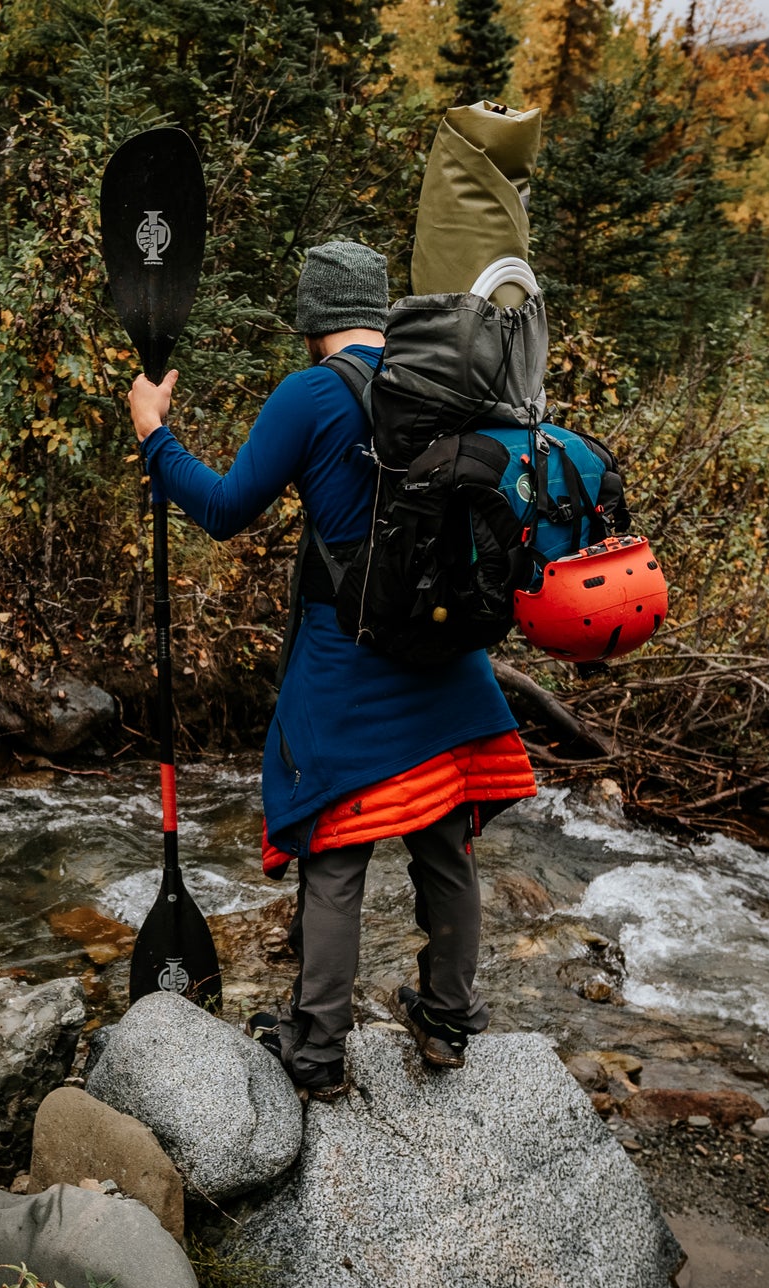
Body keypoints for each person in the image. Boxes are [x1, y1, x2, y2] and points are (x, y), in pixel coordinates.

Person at [129, 240, 537, 1100]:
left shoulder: (314, 392)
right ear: (381, 309)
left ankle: (314, 1052)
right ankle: (448, 1018)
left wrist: (155, 436)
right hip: (451, 661)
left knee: (334, 845)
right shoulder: (452, 385)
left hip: (349, 661)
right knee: (444, 840)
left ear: (313, 318)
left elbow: (226, 506)